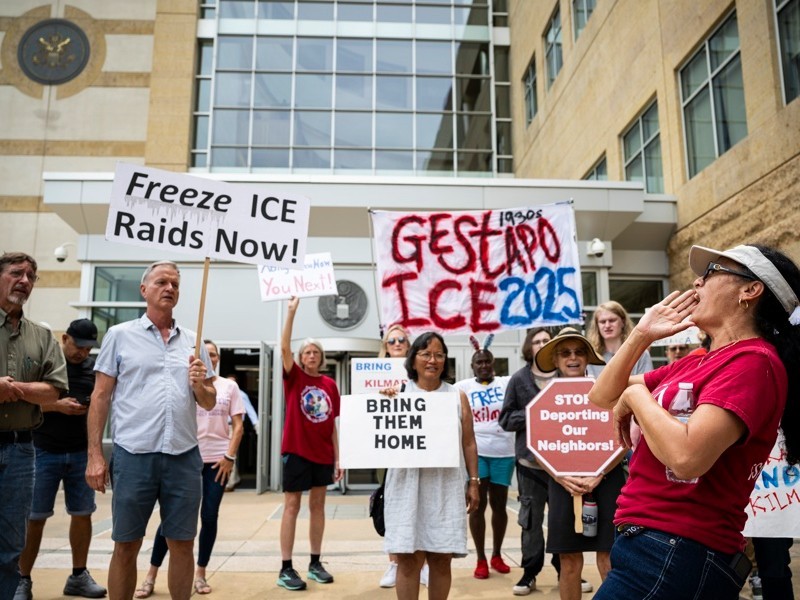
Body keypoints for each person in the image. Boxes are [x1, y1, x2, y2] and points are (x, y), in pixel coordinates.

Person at [588, 243, 800, 599]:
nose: (697, 283)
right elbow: (602, 395)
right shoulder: (699, 359)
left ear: (750, 290)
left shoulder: (753, 361)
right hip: (652, 546)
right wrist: (641, 335)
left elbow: (687, 458)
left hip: (676, 547)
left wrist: (637, 397)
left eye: (712, 272)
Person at [85, 260, 216, 600]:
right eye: (161, 282)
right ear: (144, 290)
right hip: (133, 455)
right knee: (126, 543)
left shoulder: (194, 341)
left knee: (183, 543)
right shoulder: (119, 335)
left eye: (174, 283)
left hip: (184, 456)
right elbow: (100, 396)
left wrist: (200, 384)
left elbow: (209, 401)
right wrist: (95, 455)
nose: (169, 288)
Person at [135, 340, 244, 597]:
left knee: (209, 516)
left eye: (214, 354)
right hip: (186, 458)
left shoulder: (229, 387)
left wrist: (230, 456)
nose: (211, 358)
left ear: (217, 358)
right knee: (171, 519)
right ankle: (151, 574)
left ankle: (201, 573)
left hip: (217, 462)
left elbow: (238, 425)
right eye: (206, 354)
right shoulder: (185, 382)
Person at [383, 331, 480, 600]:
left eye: (439, 354)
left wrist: (474, 482)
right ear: (413, 359)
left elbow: (469, 443)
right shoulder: (398, 393)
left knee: (441, 557)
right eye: (425, 354)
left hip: (444, 487)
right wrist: (384, 402)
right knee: (407, 558)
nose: (432, 360)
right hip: (406, 486)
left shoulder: (456, 396)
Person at [14, 319, 106, 600]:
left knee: (82, 513)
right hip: (43, 449)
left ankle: (79, 576)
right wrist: (57, 406)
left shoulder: (94, 369)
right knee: (35, 518)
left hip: (80, 451)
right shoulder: (47, 363)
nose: (83, 353)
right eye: (78, 346)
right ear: (65, 338)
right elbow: (24, 398)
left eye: (89, 349)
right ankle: (22, 580)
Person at [534, 327, 624, 600]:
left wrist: (600, 474)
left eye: (578, 352)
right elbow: (539, 445)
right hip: (563, 485)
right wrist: (560, 477)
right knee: (569, 562)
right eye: (565, 353)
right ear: (556, 360)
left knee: (610, 560)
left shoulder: (608, 391)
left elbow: (623, 439)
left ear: (587, 357)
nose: (572, 358)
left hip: (607, 483)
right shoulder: (545, 397)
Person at [0, 252, 68, 599]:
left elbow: (53, 389)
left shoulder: (41, 336)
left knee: (12, 545)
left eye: (31, 276)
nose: (25, 281)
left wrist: (14, 389)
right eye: (16, 273)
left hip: (21, 450)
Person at [278, 296, 342, 591]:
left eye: (316, 352)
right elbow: (283, 348)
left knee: (318, 506)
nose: (312, 355)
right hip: (296, 452)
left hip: (323, 454)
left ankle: (315, 562)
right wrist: (291, 312)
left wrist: (339, 459)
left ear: (321, 357)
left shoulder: (330, 385)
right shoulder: (295, 377)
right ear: (302, 357)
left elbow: (333, 425)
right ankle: (286, 567)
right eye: (308, 352)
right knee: (292, 505)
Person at [499, 328, 559, 595]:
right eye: (537, 341)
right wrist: (536, 412)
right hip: (530, 465)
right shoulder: (519, 379)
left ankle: (565, 569)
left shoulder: (564, 377)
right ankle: (529, 573)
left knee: (562, 522)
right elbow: (506, 419)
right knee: (531, 523)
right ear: (529, 347)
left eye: (547, 341)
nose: (542, 345)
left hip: (562, 468)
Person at [454, 338, 514, 580]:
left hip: (504, 453)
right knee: (477, 506)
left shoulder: (506, 383)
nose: (483, 365)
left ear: (493, 364)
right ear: (472, 366)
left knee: (499, 506)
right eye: (479, 362)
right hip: (476, 454)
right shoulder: (463, 387)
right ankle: (480, 558)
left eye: (487, 361)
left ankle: (497, 555)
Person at [376, 324, 425, 588]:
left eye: (401, 340)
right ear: (385, 346)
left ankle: (422, 565)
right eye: (392, 340)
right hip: (389, 452)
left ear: (408, 345)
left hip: (416, 450)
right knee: (393, 509)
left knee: (420, 507)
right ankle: (394, 563)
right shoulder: (372, 374)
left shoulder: (418, 375)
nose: (396, 343)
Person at [586, 301, 653, 377]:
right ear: (597, 326)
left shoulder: (640, 354)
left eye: (612, 320)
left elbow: (647, 383)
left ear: (623, 321)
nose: (607, 325)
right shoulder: (591, 356)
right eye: (602, 322)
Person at [224, 373, 257, 492]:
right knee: (225, 454)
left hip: (234, 427)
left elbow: (250, 410)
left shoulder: (241, 395)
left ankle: (230, 483)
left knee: (230, 454)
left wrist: (256, 425)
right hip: (221, 427)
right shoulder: (220, 393)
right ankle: (236, 478)